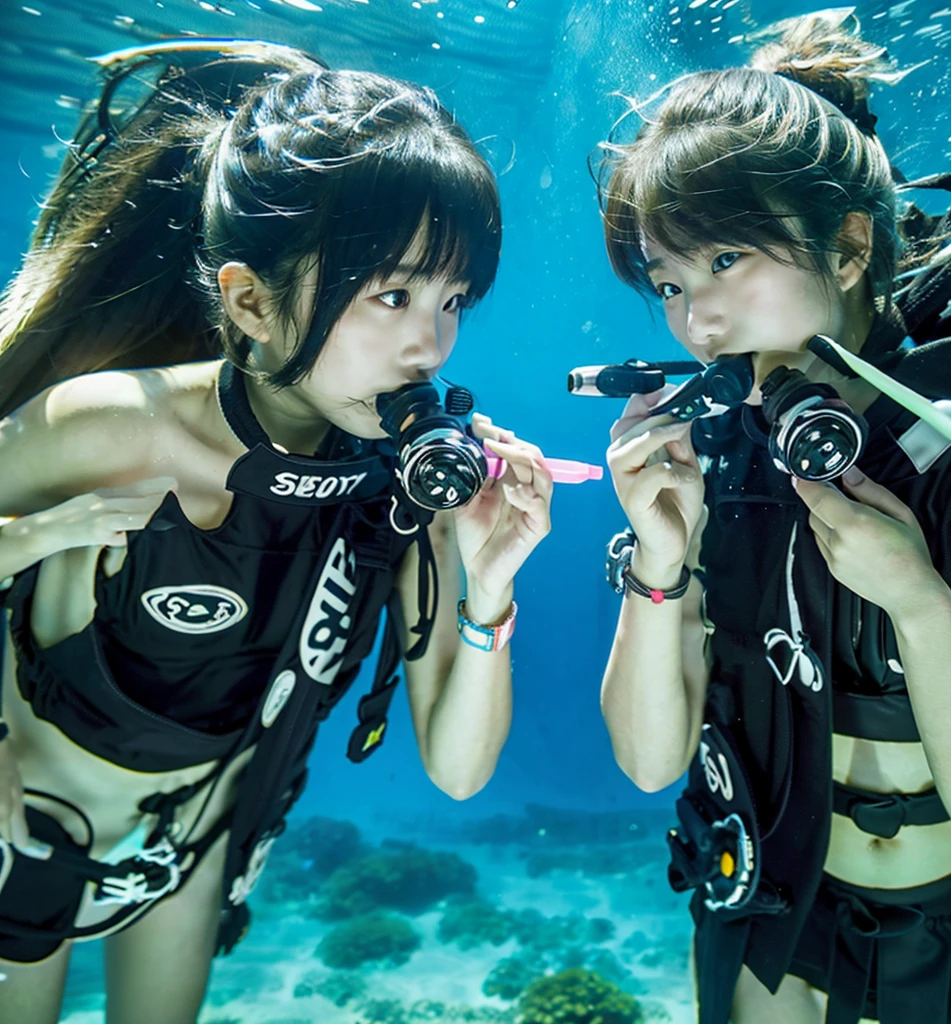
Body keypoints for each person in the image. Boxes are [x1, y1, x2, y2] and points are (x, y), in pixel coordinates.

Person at [0, 40, 553, 1024]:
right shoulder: (115, 425)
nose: (428, 345)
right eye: (391, 295)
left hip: (192, 850)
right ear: (250, 299)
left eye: (452, 300)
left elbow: (460, 771)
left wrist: (493, 580)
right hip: (18, 835)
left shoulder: (406, 494)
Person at [596, 10, 951, 1024]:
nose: (698, 322)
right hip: (776, 929)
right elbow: (651, 761)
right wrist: (659, 564)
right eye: (668, 281)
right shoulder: (716, 451)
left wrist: (918, 603)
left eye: (725, 262)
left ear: (847, 246)